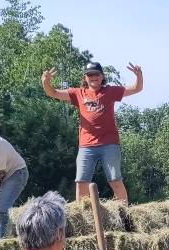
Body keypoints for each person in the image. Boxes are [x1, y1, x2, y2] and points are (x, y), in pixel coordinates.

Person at [41, 61, 144, 204]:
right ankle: (84, 216)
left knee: (115, 180)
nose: (93, 77)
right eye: (90, 75)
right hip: (86, 146)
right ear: (85, 78)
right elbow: (52, 92)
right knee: (81, 182)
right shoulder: (78, 93)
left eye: (96, 74)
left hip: (109, 143)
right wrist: (45, 82)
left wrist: (139, 76)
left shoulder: (110, 91)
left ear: (102, 76)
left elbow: (137, 88)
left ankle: (124, 213)